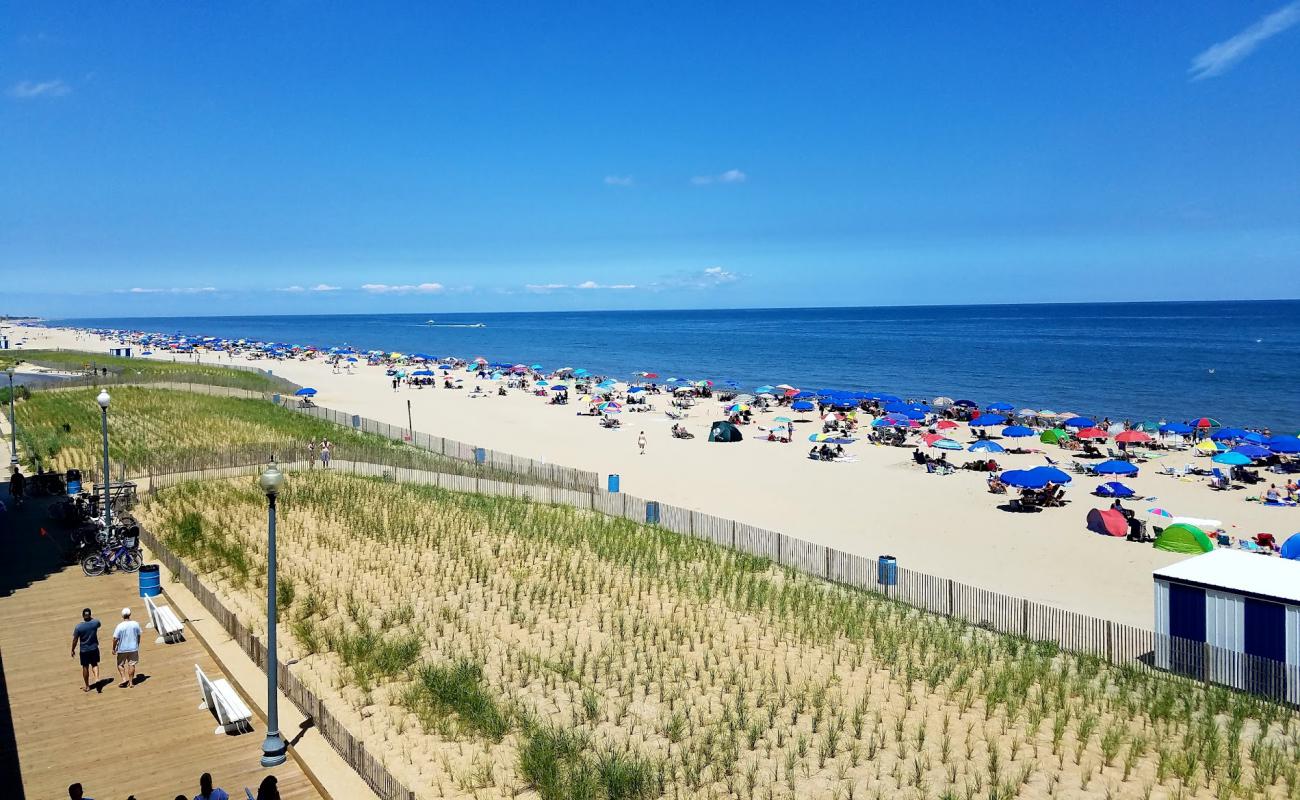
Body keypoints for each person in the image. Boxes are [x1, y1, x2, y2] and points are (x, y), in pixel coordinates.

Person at [71, 608, 101, 692]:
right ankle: (97, 679)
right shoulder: (95, 623)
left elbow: (75, 639)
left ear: (83, 616)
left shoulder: (79, 627)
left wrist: (72, 649)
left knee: (85, 667)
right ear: (90, 615)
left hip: (84, 650)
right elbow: (98, 624)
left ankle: (87, 686)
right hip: (94, 648)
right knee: (94, 664)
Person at [113, 607, 142, 688]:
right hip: (133, 648)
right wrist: (137, 644)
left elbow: (115, 638)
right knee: (132, 665)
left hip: (122, 648)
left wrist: (113, 648)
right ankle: (131, 682)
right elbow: (139, 635)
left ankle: (124, 678)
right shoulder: (135, 624)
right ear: (130, 614)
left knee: (120, 664)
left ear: (122, 616)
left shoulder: (120, 626)